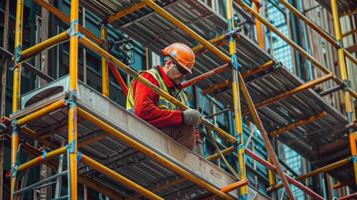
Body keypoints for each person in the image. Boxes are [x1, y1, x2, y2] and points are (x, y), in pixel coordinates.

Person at [126, 43, 201, 150]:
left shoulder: (181, 95)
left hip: (162, 137)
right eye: (182, 70)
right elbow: (143, 112)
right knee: (186, 130)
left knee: (190, 134)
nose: (183, 76)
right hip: (139, 129)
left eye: (186, 73)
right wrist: (182, 117)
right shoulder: (150, 77)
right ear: (169, 63)